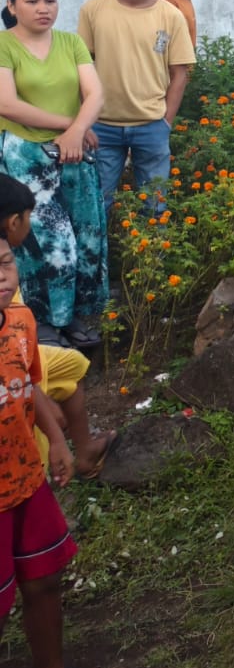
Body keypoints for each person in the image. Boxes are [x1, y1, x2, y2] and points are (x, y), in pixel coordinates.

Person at [0, 228, 127, 668]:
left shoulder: (20, 321)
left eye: (6, 263)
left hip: (26, 483)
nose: (1, 277)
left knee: (44, 578)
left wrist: (57, 440)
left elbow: (31, 387)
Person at [0, 0, 108, 350]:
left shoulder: (70, 42)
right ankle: (42, 318)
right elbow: (7, 103)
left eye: (50, 0)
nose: (43, 9)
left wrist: (77, 132)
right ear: (12, 6)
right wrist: (72, 125)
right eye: (32, 1)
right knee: (46, 238)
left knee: (85, 234)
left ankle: (73, 316)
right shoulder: (3, 45)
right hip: (27, 153)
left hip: (75, 152)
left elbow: (95, 92)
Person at [0, 178, 114, 479]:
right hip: (13, 372)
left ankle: (85, 452)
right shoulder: (6, 279)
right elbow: (14, 357)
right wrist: (44, 405)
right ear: (15, 222)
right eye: (29, 216)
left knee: (72, 364)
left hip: (25, 360)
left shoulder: (8, 260)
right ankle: (41, 469)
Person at [77, 0, 195, 214]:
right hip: (101, 127)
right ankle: (98, 258)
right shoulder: (93, 10)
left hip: (151, 125)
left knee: (154, 205)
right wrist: (83, 120)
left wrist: (165, 121)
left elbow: (180, 73)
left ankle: (152, 258)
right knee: (97, 203)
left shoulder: (170, 15)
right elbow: (82, 67)